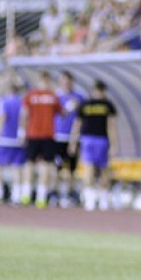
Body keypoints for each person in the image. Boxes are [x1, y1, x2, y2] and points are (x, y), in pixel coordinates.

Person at [69, 80, 117, 211]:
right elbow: (77, 124)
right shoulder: (100, 105)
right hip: (94, 140)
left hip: (95, 139)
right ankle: (95, 199)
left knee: (100, 169)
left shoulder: (92, 105)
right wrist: (73, 141)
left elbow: (110, 126)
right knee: (94, 169)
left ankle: (98, 199)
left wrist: (73, 142)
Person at [19, 71, 62, 208]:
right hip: (48, 135)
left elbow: (24, 114)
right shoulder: (53, 96)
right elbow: (61, 113)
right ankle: (41, 197)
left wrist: (21, 131)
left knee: (30, 164)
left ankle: (26, 194)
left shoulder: (30, 95)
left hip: (33, 134)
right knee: (46, 165)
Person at [0, 80, 26, 205]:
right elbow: (24, 119)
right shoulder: (22, 102)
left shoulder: (2, 102)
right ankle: (16, 196)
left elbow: (1, 119)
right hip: (18, 139)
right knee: (17, 167)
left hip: (4, 139)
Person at [53, 71, 84, 207]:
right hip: (57, 137)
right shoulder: (55, 96)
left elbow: (79, 119)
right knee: (56, 167)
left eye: (68, 80)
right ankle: (55, 193)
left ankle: (70, 194)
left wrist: (74, 139)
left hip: (72, 137)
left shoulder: (78, 97)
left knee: (71, 167)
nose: (66, 83)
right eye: (63, 80)